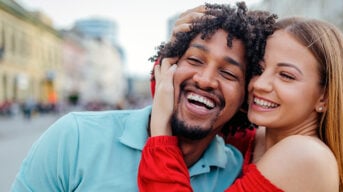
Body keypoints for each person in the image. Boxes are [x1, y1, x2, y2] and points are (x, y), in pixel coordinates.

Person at [11, 3, 276, 192]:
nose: (205, 80)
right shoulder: (74, 137)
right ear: (164, 67)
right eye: (194, 59)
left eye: (229, 73)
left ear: (245, 96)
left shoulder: (237, 171)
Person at [138, 16, 343, 191]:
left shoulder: (305, 155)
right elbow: (193, 107)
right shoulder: (258, 139)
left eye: (286, 76)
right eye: (258, 69)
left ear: (324, 97)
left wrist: (160, 135)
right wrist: (179, 44)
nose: (260, 84)